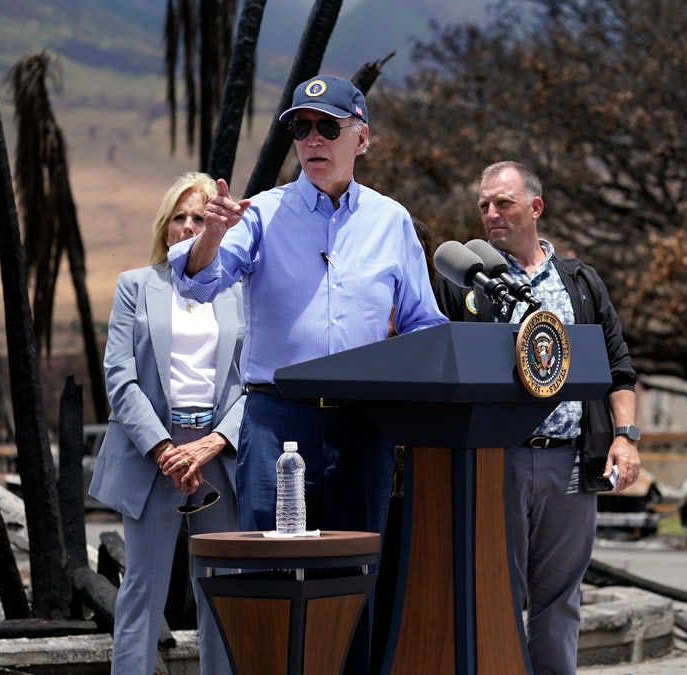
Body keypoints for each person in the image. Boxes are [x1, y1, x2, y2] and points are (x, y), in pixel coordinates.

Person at [167, 74, 446, 673]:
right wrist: (210, 238)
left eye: (328, 126)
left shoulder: (393, 222)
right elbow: (196, 281)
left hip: (365, 424)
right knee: (268, 575)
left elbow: (424, 323)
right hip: (276, 424)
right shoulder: (260, 214)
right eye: (301, 127)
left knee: (354, 578)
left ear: (361, 138)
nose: (312, 139)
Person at [432, 160, 642, 674]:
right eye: (484, 205)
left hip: (570, 463)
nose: (491, 213)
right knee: (495, 592)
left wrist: (626, 437)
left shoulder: (579, 282)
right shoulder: (466, 282)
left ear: (535, 208)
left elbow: (619, 369)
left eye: (503, 203)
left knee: (559, 600)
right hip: (495, 461)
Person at [89, 172, 244, 675]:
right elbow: (119, 377)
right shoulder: (135, 285)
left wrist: (213, 442)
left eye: (199, 217)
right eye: (178, 217)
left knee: (221, 590)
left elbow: (254, 383)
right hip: (152, 452)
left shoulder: (240, 288)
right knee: (142, 589)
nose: (187, 226)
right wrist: (163, 448)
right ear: (164, 226)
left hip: (218, 456)